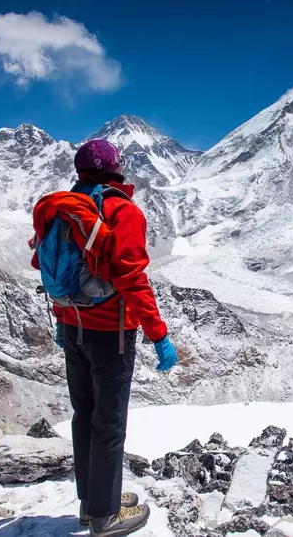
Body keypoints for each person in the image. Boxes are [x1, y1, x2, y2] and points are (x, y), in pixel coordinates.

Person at [30, 139, 178, 537]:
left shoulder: (61, 207)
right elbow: (131, 277)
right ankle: (106, 516)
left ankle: (90, 503)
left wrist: (63, 323)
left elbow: (43, 264)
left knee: (84, 416)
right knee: (109, 424)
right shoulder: (121, 210)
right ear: (116, 169)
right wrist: (158, 335)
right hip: (110, 334)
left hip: (73, 326)